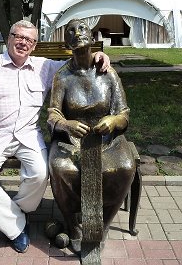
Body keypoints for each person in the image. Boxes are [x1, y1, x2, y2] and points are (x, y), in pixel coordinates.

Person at [0, 20, 110, 253]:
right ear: (9, 38)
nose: (23, 43)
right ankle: (16, 227)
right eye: (18, 37)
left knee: (40, 174)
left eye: (29, 40)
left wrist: (99, 54)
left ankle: (12, 213)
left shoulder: (45, 67)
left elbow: (78, 63)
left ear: (34, 45)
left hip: (28, 136)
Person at [48, 19, 136, 253]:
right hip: (73, 140)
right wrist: (66, 124)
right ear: (67, 42)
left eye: (82, 29)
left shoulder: (107, 73)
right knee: (61, 168)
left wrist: (114, 120)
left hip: (107, 140)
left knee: (125, 166)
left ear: (92, 38)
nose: (77, 33)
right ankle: (73, 225)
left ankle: (102, 224)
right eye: (71, 31)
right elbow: (53, 114)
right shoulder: (62, 76)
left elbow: (124, 112)